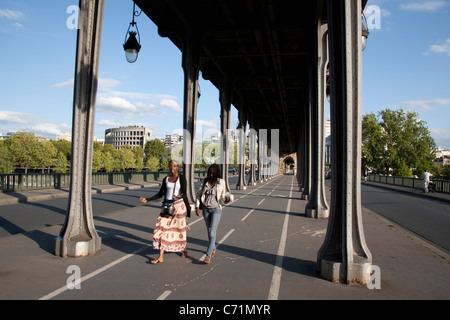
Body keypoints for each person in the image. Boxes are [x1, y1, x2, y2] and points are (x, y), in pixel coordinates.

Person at [139, 160, 190, 264]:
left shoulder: (182, 178)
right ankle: (160, 256)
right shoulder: (166, 179)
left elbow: (185, 193)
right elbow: (160, 194)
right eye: (171, 166)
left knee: (179, 230)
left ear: (177, 167)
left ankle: (184, 249)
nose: (172, 168)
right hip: (167, 206)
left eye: (174, 166)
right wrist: (147, 199)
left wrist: (182, 199)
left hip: (178, 207)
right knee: (161, 228)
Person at [195, 164, 231, 264]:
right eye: (209, 173)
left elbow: (224, 196)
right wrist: (197, 207)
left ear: (216, 174)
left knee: (212, 232)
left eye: (212, 173)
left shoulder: (221, 182)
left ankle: (208, 255)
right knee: (209, 231)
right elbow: (198, 195)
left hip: (216, 209)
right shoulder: (204, 182)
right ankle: (213, 248)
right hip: (206, 209)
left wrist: (226, 200)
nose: (210, 175)